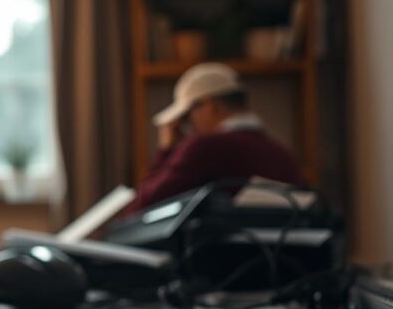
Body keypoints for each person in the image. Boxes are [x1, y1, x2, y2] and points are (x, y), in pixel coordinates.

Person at [128, 63, 302, 212]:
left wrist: (167, 150)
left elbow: (143, 206)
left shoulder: (205, 147)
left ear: (209, 106)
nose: (189, 128)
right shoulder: (282, 154)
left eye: (187, 117)